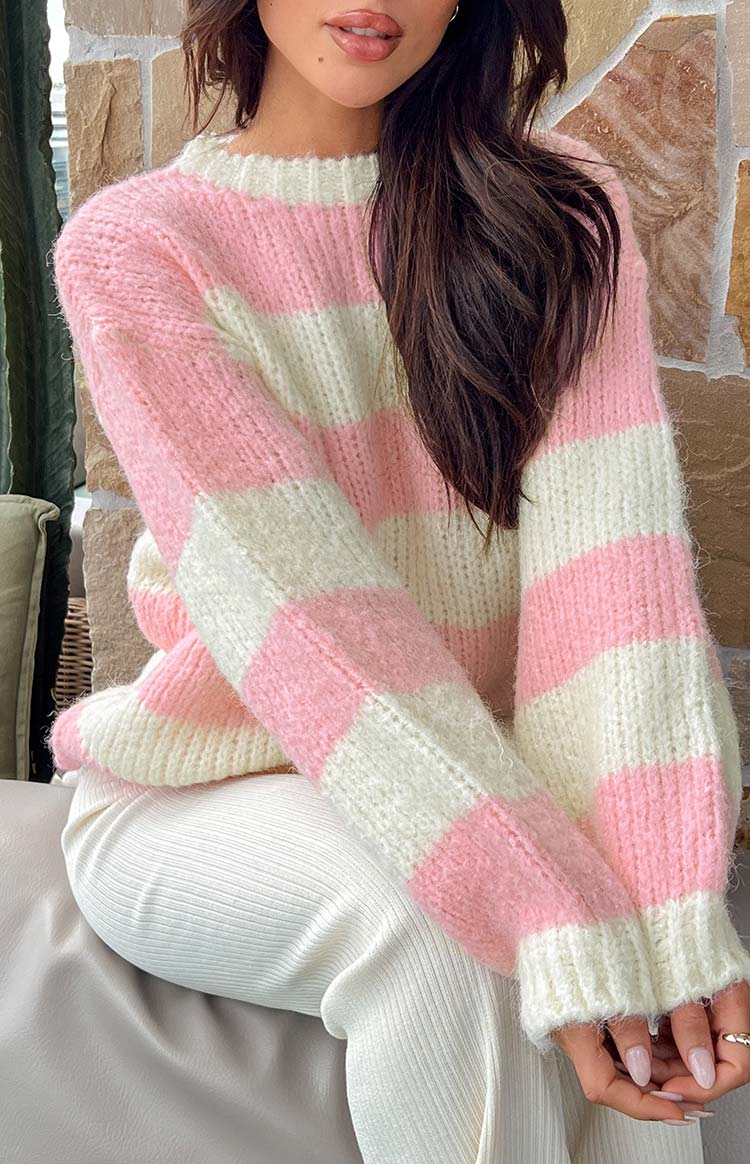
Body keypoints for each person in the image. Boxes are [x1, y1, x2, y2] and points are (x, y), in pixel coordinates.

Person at [50, 1, 750, 1160]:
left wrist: (668, 914)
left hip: (479, 773)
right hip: (204, 794)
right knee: (444, 936)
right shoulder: (144, 249)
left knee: (629, 986)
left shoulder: (559, 214)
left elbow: (618, 598)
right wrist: (545, 907)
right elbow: (317, 630)